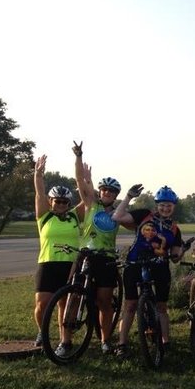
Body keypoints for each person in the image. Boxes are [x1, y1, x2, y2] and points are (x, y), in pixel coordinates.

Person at [112, 185, 185, 357]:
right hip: (135, 263)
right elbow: (117, 216)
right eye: (162, 205)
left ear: (174, 206)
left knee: (161, 307)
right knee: (130, 305)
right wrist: (129, 197)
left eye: (169, 205)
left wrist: (180, 253)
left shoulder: (174, 228)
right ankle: (122, 344)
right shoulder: (144, 215)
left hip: (159, 267)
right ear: (157, 205)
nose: (165, 208)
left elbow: (174, 256)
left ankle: (165, 342)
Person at [71, 141, 126, 353]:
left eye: (111, 192)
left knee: (104, 300)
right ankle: (66, 339)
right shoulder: (91, 205)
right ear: (100, 192)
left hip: (106, 258)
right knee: (74, 295)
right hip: (86, 254)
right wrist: (78, 156)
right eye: (104, 190)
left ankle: (105, 340)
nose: (107, 193)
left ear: (115, 194)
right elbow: (79, 180)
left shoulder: (117, 212)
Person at [33, 155, 81, 353]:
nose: (60, 204)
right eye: (57, 201)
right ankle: (41, 332)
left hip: (69, 265)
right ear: (50, 201)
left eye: (64, 201)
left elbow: (88, 198)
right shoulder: (44, 216)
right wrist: (38, 174)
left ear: (69, 203)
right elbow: (39, 193)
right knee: (42, 303)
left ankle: (65, 341)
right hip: (48, 263)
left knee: (65, 304)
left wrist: (81, 171)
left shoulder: (74, 216)